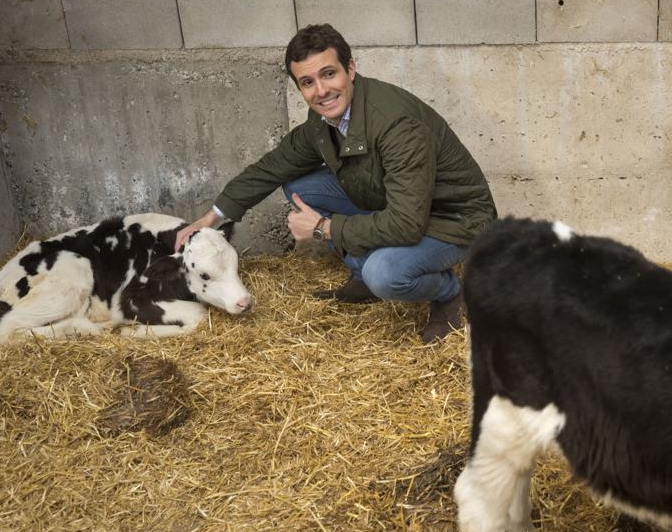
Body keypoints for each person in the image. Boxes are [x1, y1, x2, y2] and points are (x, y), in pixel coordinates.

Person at [176, 24, 497, 343]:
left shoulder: (398, 125)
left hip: (453, 219)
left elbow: (406, 224)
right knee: (301, 187)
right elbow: (275, 165)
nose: (321, 90)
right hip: (396, 202)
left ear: (351, 69)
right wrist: (213, 216)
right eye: (307, 82)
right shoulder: (323, 119)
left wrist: (323, 228)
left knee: (384, 274)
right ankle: (361, 275)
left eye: (329, 74)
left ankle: (449, 294)